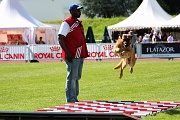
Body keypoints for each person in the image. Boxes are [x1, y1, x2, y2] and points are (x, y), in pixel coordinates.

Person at [58, 4, 89, 103]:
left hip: (79, 53)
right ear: (71, 12)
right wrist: (67, 52)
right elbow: (60, 38)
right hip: (73, 54)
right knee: (72, 76)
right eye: (77, 11)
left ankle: (74, 97)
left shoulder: (77, 23)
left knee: (77, 76)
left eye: (79, 11)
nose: (79, 12)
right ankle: (70, 98)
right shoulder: (67, 23)